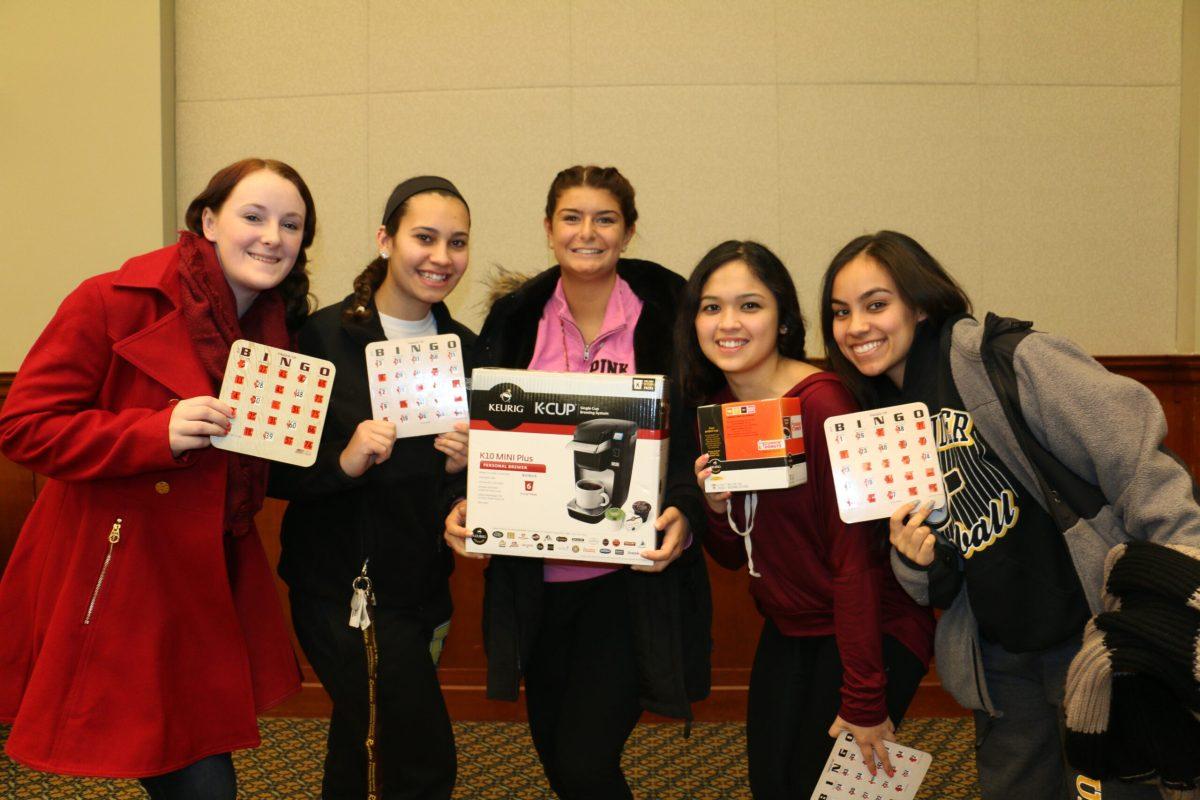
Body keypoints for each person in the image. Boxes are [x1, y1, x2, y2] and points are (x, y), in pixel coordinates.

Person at [819, 229, 1200, 800]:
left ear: (920, 304)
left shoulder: (1006, 358)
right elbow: (933, 579)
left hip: (1091, 635)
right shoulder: (881, 419)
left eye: (876, 305)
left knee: (1114, 790)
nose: (856, 327)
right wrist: (915, 561)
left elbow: (1137, 453)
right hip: (1000, 654)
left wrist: (1184, 578)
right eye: (840, 312)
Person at [0, 158, 314, 798]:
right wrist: (153, 433)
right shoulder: (109, 300)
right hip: (120, 576)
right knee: (196, 774)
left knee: (195, 760)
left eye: (291, 224)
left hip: (208, 577)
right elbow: (24, 426)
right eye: (252, 217)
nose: (272, 237)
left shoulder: (275, 327)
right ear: (208, 221)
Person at [443, 165, 712, 800]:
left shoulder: (674, 315)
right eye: (571, 217)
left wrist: (686, 509)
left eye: (605, 218)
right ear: (548, 228)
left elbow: (703, 434)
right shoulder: (514, 319)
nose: (586, 232)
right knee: (560, 761)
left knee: (587, 763)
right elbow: (480, 442)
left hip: (625, 586)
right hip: (534, 589)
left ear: (628, 230)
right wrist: (462, 500)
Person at [678, 240, 933, 799]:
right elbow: (734, 552)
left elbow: (856, 562)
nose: (729, 323)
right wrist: (718, 510)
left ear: (785, 319)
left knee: (825, 790)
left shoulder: (823, 404)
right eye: (711, 306)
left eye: (750, 305)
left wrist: (865, 697)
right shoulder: (721, 410)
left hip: (872, 624)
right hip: (793, 625)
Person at [270, 176, 474, 800]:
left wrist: (461, 475)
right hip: (339, 590)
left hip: (419, 588)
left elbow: (464, 491)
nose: (441, 256)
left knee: (362, 740)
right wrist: (346, 460)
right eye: (425, 237)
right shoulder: (320, 337)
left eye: (457, 242)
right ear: (385, 240)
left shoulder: (465, 348)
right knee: (421, 756)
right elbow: (275, 473)